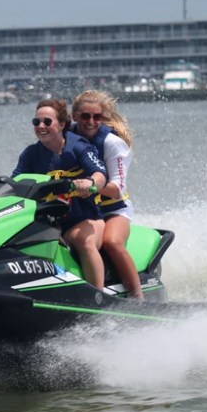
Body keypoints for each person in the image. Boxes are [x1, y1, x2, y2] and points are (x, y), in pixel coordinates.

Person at [0, 98, 107, 289]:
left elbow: (100, 174)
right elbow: (16, 184)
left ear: (62, 124)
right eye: (36, 122)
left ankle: (99, 299)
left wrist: (89, 182)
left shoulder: (78, 147)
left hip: (86, 219)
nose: (41, 126)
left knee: (83, 241)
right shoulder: (31, 154)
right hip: (51, 221)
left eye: (47, 122)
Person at [71, 89, 143, 299]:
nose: (91, 121)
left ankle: (138, 297)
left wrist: (91, 185)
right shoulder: (67, 136)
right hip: (82, 209)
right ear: (75, 116)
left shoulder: (112, 143)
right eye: (85, 116)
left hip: (114, 209)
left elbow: (117, 189)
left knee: (111, 242)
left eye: (97, 117)